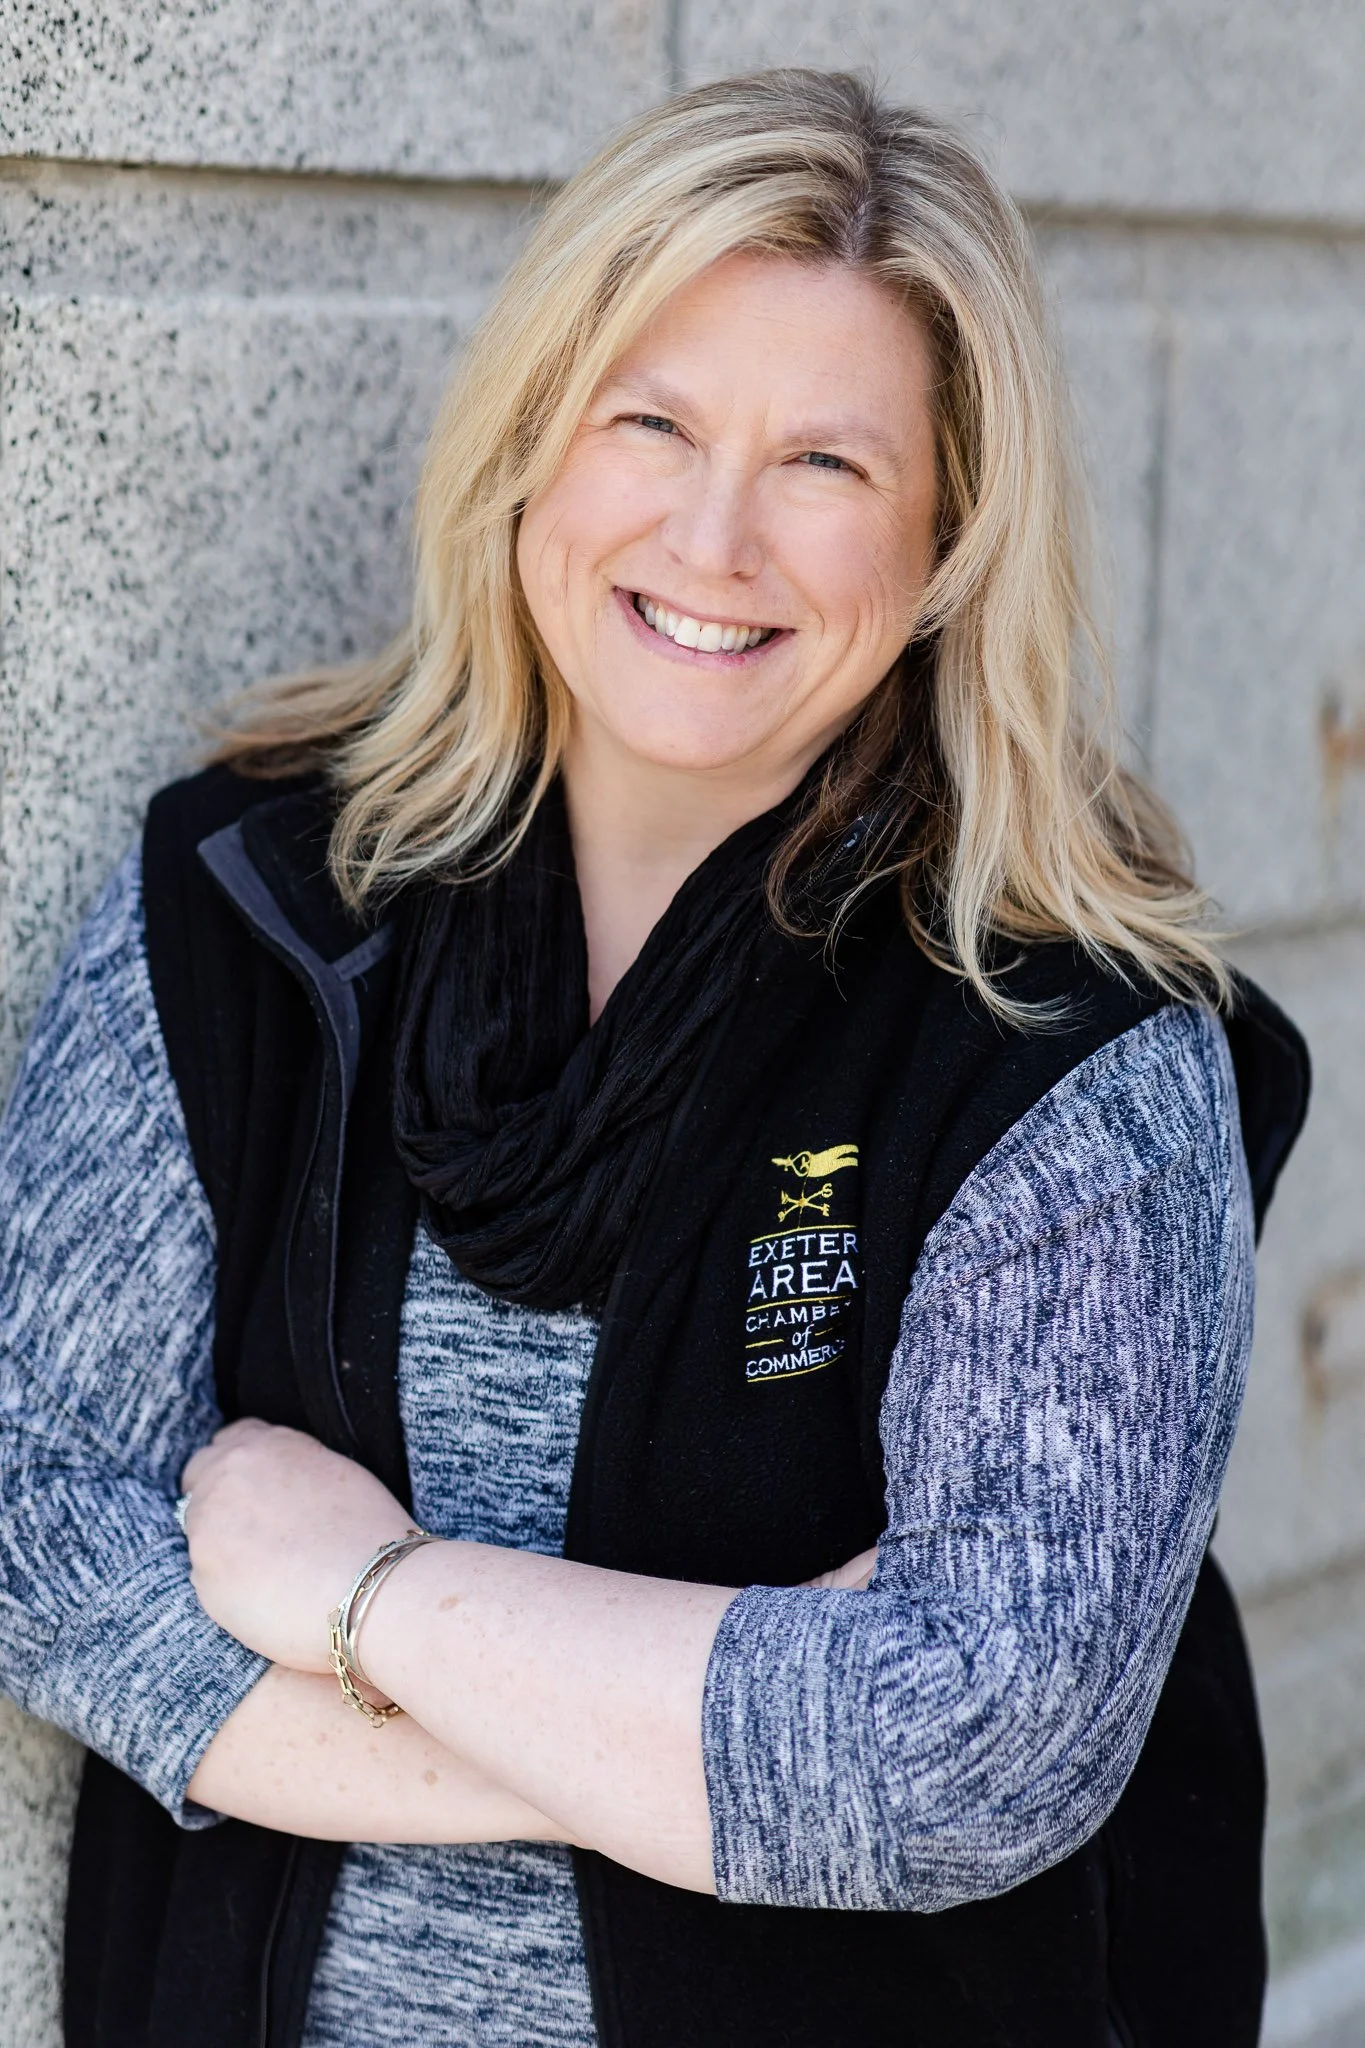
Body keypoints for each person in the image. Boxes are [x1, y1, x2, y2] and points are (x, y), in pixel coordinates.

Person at [0, 68, 1309, 2048]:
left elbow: (975, 1753)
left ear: (950, 533)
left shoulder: (1071, 1043)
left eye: (825, 466)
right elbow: (37, 1528)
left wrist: (365, 1596)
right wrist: (707, 1731)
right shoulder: (254, 908)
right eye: (653, 420)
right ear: (535, 439)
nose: (714, 537)